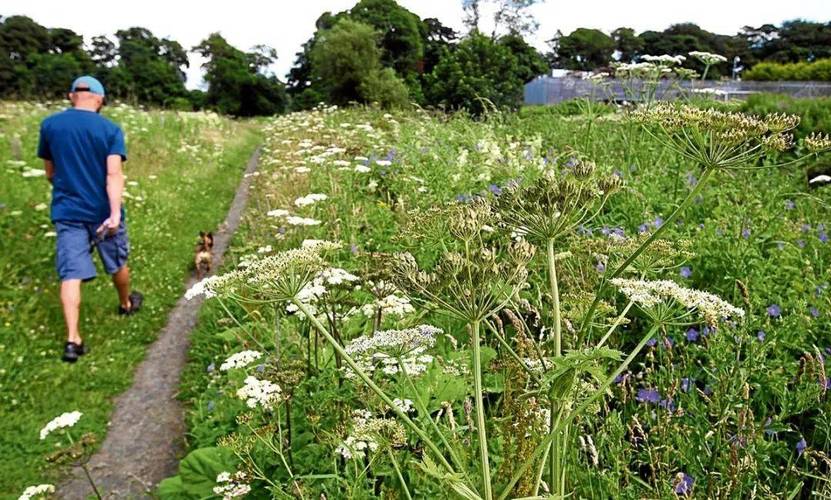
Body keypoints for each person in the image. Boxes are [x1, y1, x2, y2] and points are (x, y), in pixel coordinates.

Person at [37, 75, 143, 363]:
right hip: (102, 213)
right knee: (117, 262)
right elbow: (113, 174)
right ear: (99, 99)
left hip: (67, 212)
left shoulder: (50, 126)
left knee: (70, 273)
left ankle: (73, 339)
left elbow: (50, 173)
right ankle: (125, 303)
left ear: (72, 96)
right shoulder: (109, 129)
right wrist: (114, 214)